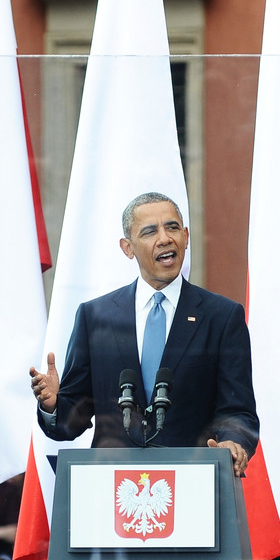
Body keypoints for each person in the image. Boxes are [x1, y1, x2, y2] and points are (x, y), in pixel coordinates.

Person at [29, 192, 259, 475]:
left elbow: (238, 410)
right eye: (150, 232)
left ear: (186, 236)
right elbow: (69, 423)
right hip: (112, 490)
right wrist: (53, 406)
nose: (165, 238)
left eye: (172, 227)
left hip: (193, 484)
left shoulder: (222, 317)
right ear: (128, 247)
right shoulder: (95, 317)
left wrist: (233, 442)